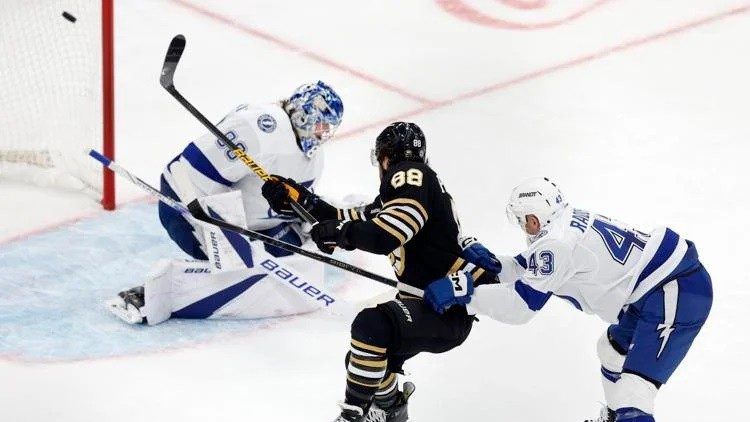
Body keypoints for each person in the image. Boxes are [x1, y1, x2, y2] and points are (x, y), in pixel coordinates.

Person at [262, 122, 499, 422]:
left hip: (446, 307)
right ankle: (391, 410)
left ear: (387, 159)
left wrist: (343, 233)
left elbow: (387, 233)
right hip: (436, 309)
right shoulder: (411, 190)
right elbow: (347, 217)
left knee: (372, 327)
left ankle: (353, 417)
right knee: (367, 358)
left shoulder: (411, 174)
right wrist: (298, 198)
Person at [423, 177, 713, 422]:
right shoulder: (564, 224)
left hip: (673, 291)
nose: (525, 228)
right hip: (653, 292)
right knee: (611, 351)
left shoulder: (556, 244)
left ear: (534, 218)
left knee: (634, 392)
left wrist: (465, 295)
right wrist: (493, 264)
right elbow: (524, 269)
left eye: (524, 222)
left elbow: (520, 307)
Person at [107, 81, 344, 325]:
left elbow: (292, 206)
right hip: (187, 206)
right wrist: (220, 229)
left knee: (288, 261)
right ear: (304, 114)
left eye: (329, 128)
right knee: (243, 270)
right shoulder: (261, 128)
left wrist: (311, 220)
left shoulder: (313, 158)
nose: (323, 133)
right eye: (321, 124)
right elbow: (190, 172)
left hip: (252, 224)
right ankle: (157, 295)